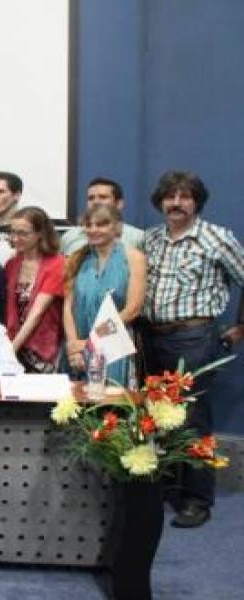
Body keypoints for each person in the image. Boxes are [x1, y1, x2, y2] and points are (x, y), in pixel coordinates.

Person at [141, 170, 244, 528]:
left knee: (193, 420)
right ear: (161, 202)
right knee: (158, 417)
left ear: (196, 202)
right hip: (150, 337)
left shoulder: (217, 238)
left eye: (185, 197)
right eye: (170, 197)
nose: (176, 203)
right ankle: (169, 487)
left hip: (194, 338)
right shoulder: (150, 241)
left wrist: (240, 328)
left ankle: (197, 499)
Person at [63, 205, 146, 386]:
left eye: (101, 224)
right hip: (78, 350)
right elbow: (68, 307)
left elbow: (132, 310)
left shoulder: (134, 257)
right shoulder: (76, 258)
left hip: (115, 346)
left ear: (116, 227)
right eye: (88, 225)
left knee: (111, 408)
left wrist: (91, 341)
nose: (93, 230)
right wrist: (73, 346)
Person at [4, 206, 65, 373]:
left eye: (23, 233)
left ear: (40, 234)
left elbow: (36, 314)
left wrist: (10, 351)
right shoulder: (11, 264)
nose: (15, 238)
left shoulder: (57, 264)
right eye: (13, 232)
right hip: (13, 343)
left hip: (42, 347)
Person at [60, 177, 144, 255]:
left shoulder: (137, 238)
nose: (96, 202)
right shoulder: (70, 236)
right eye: (91, 198)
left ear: (119, 204)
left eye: (103, 197)